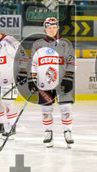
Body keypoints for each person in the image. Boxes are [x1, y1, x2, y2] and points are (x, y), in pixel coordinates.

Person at [27, 17, 76, 146]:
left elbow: (71, 61)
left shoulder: (66, 43)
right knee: (46, 109)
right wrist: (31, 79)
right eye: (49, 27)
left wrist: (68, 77)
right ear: (45, 29)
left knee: (66, 108)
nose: (52, 30)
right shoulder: (37, 44)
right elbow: (33, 63)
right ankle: (48, 132)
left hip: (62, 81)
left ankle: (67, 132)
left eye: (54, 27)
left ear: (57, 28)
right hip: (44, 82)